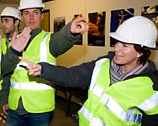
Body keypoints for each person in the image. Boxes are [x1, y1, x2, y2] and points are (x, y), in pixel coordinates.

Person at [20, 16, 158, 126]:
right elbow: (71, 76)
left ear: (141, 51)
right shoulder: (102, 64)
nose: (116, 49)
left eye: (125, 45)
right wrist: (43, 69)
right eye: (116, 42)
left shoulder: (151, 88)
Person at [0, 0, 88, 125]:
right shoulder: (14, 41)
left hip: (40, 111)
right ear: (22, 16)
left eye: (35, 12)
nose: (31, 17)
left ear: (42, 15)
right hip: (14, 108)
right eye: (26, 13)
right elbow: (5, 72)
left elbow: (61, 39)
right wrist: (4, 98)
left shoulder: (49, 40)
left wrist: (70, 31)